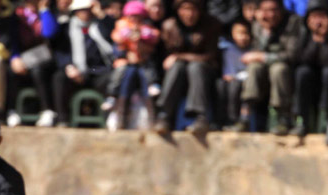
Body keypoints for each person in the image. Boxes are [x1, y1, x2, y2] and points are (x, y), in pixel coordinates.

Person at [227, 0, 302, 134]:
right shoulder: (258, 24)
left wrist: (264, 57)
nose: (271, 14)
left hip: (287, 67)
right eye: (266, 10)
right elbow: (257, 50)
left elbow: (292, 55)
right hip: (263, 68)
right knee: (254, 68)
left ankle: (283, 119)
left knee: (278, 70)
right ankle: (244, 117)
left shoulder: (292, 22)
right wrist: (266, 31)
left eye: (274, 10)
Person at [154, 0, 222, 135]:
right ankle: (164, 116)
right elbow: (166, 59)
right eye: (185, 9)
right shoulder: (169, 26)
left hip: (205, 72)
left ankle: (200, 117)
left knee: (195, 67)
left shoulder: (212, 25)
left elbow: (210, 56)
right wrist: (178, 59)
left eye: (193, 10)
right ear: (178, 10)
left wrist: (181, 56)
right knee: (177, 67)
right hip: (177, 73)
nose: (190, 14)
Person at [50, 0, 115, 126]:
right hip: (76, 72)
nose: (85, 13)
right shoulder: (66, 27)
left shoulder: (99, 26)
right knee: (59, 78)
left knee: (112, 78)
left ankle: (109, 118)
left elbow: (113, 32)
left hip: (97, 71)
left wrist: (100, 13)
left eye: (87, 9)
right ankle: (63, 119)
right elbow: (60, 51)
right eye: (81, 10)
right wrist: (69, 66)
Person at [103, 0, 161, 129]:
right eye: (132, 16)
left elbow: (154, 37)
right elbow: (117, 40)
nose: (134, 19)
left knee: (147, 75)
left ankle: (153, 117)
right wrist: (129, 36)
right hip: (127, 64)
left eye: (137, 16)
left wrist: (142, 37)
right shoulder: (122, 26)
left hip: (143, 63)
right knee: (125, 75)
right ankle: (118, 108)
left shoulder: (146, 27)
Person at [290, 0, 328, 138]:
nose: (318, 21)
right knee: (302, 72)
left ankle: (326, 119)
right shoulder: (301, 28)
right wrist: (315, 40)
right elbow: (299, 58)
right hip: (309, 73)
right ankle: (302, 121)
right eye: (314, 16)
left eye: (322, 16)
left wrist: (324, 38)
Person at [218, 18, 253, 125]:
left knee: (235, 86)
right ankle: (220, 119)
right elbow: (228, 72)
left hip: (246, 82)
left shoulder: (253, 51)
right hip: (232, 80)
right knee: (220, 85)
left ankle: (235, 120)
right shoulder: (228, 51)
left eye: (245, 33)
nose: (242, 37)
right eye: (239, 33)